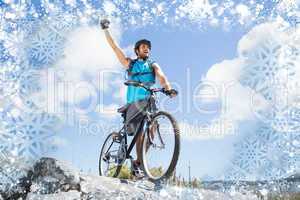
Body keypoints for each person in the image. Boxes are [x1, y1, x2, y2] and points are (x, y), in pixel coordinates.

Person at [100, 19, 177, 177]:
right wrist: (106, 30)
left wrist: (168, 88)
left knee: (152, 129)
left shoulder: (152, 64)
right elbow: (115, 47)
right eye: (143, 47)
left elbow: (162, 76)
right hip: (133, 103)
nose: (147, 49)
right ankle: (125, 154)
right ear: (137, 50)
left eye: (148, 47)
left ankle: (137, 164)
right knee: (139, 133)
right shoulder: (131, 63)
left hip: (149, 100)